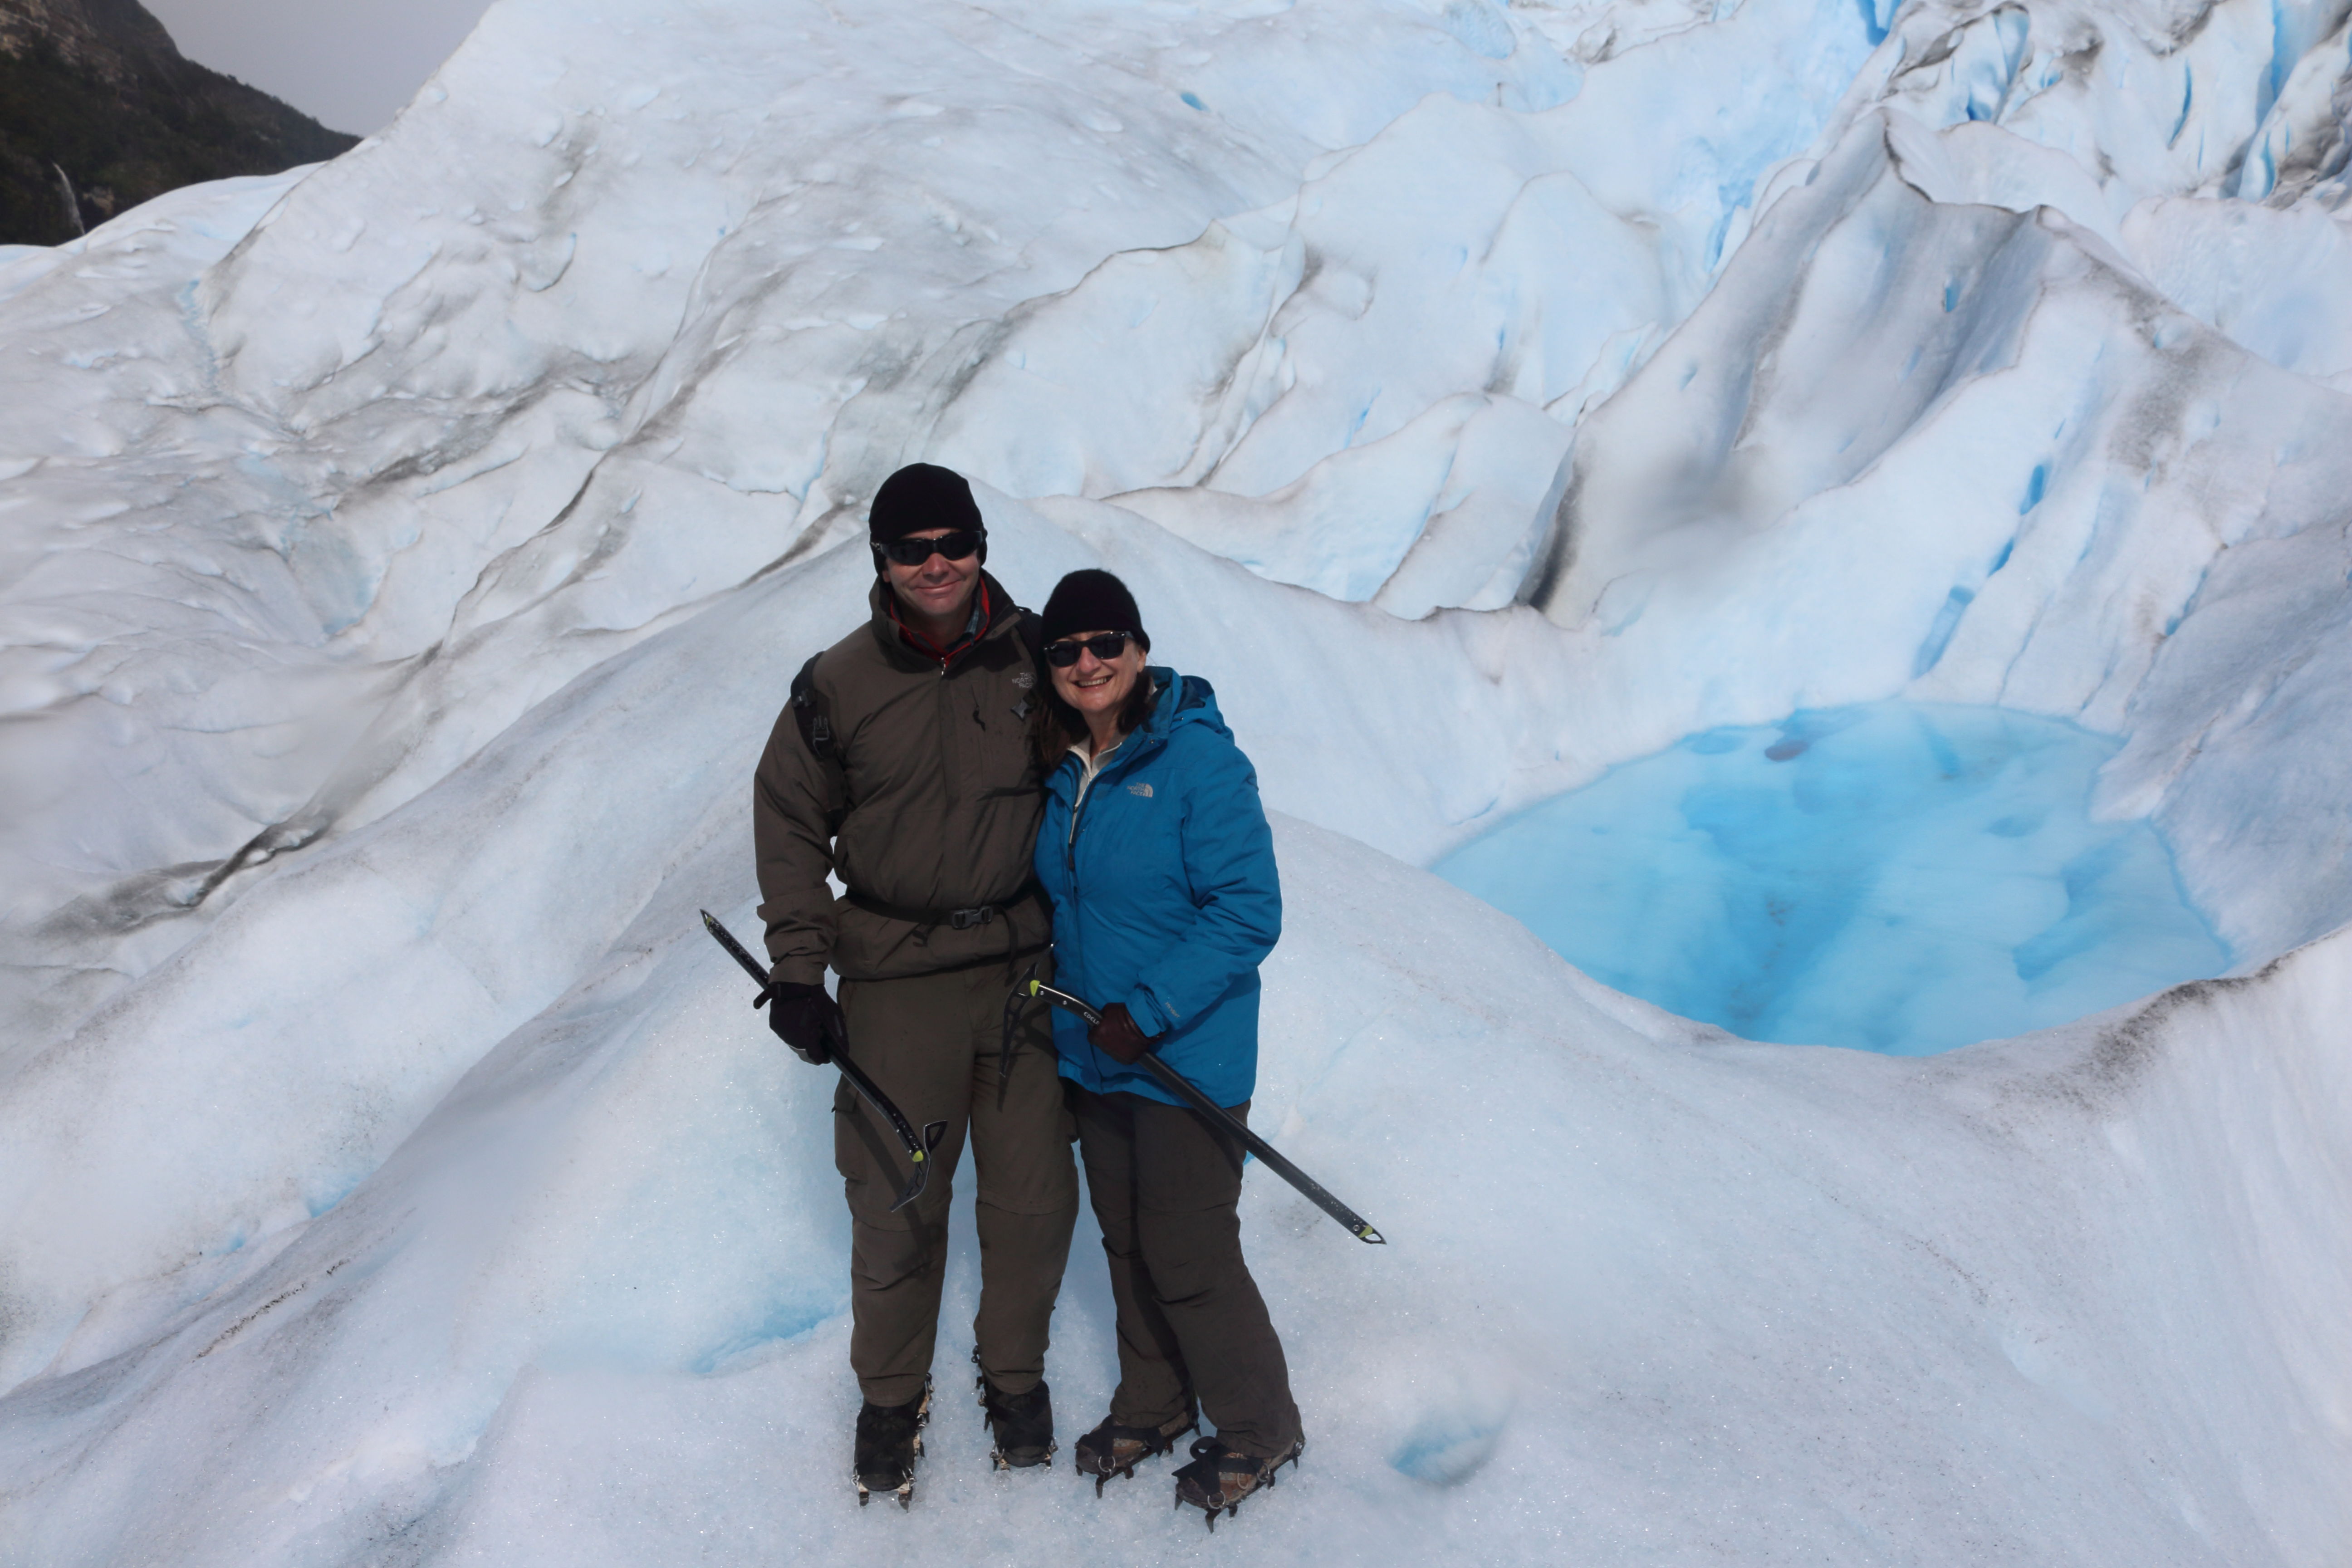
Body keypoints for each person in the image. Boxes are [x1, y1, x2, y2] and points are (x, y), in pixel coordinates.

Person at [753, 463, 1077, 1507]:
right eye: (910, 550)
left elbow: (1119, 760)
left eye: (954, 543)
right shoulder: (836, 685)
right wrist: (799, 971)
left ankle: (1014, 1377)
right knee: (897, 1201)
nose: (935, 566)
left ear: (981, 544)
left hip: (1027, 975)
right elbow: (792, 826)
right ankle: (892, 1397)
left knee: (1032, 1201)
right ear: (881, 562)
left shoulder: (1042, 659)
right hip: (897, 979)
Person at [1028, 568, 1304, 1524]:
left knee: (1188, 1250)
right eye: (1065, 651)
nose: (1087, 663)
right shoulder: (1070, 765)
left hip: (1184, 1057)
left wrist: (1147, 1009)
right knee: (1128, 1242)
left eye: (1106, 643)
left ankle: (1262, 1426)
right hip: (1098, 1056)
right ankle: (1153, 1402)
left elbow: (1248, 912)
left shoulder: (1197, 762)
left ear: (1140, 649)